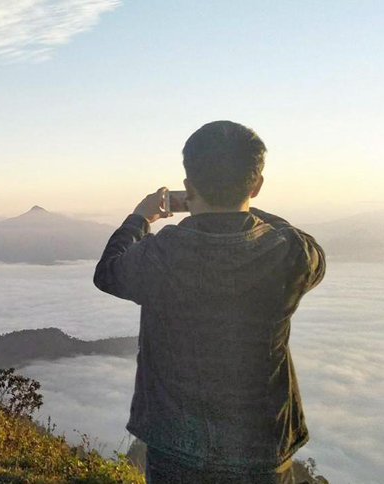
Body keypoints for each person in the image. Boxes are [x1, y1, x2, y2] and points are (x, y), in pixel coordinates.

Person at [93, 121, 326, 484]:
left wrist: (141, 217)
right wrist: (245, 206)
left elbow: (108, 272)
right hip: (262, 449)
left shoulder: (161, 253)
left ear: (188, 186)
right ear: (257, 184)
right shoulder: (289, 253)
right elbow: (305, 243)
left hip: (176, 450)